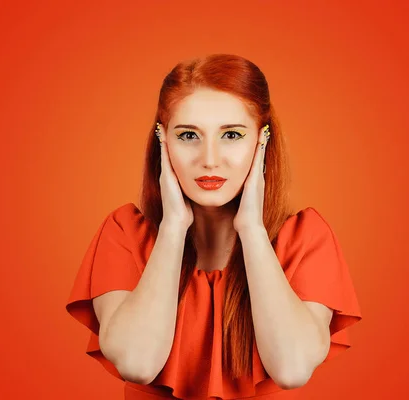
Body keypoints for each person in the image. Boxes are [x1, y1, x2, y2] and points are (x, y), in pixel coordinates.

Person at [65, 54, 363, 399]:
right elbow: (137, 364)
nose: (209, 159)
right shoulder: (125, 233)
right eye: (189, 135)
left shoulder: (306, 237)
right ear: (162, 141)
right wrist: (174, 227)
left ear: (261, 141)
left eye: (232, 135)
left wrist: (251, 228)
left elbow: (291, 369)